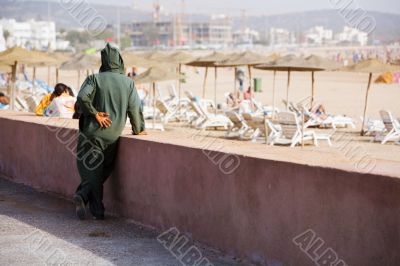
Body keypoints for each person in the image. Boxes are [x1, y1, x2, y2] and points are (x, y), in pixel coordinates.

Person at [73, 43, 146, 221]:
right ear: (120, 61)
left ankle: (87, 199)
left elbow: (82, 98)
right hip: (113, 136)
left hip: (92, 133)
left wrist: (95, 114)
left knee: (92, 169)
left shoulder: (94, 79)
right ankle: (93, 207)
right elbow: (135, 109)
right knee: (101, 170)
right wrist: (139, 129)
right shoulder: (128, 83)